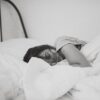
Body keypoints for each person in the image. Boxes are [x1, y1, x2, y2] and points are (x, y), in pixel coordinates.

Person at [23, 36, 91, 67]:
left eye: (47, 55)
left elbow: (84, 66)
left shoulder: (61, 42)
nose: (53, 60)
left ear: (46, 47)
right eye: (50, 64)